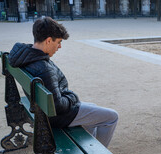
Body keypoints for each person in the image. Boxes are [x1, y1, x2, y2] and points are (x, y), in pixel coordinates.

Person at [8, 16, 118, 147]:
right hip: (57, 117)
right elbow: (58, 106)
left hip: (43, 111)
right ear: (49, 40)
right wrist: (72, 97)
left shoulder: (27, 56)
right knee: (111, 117)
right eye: (58, 42)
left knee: (93, 108)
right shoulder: (43, 68)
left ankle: (90, 147)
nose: (59, 46)